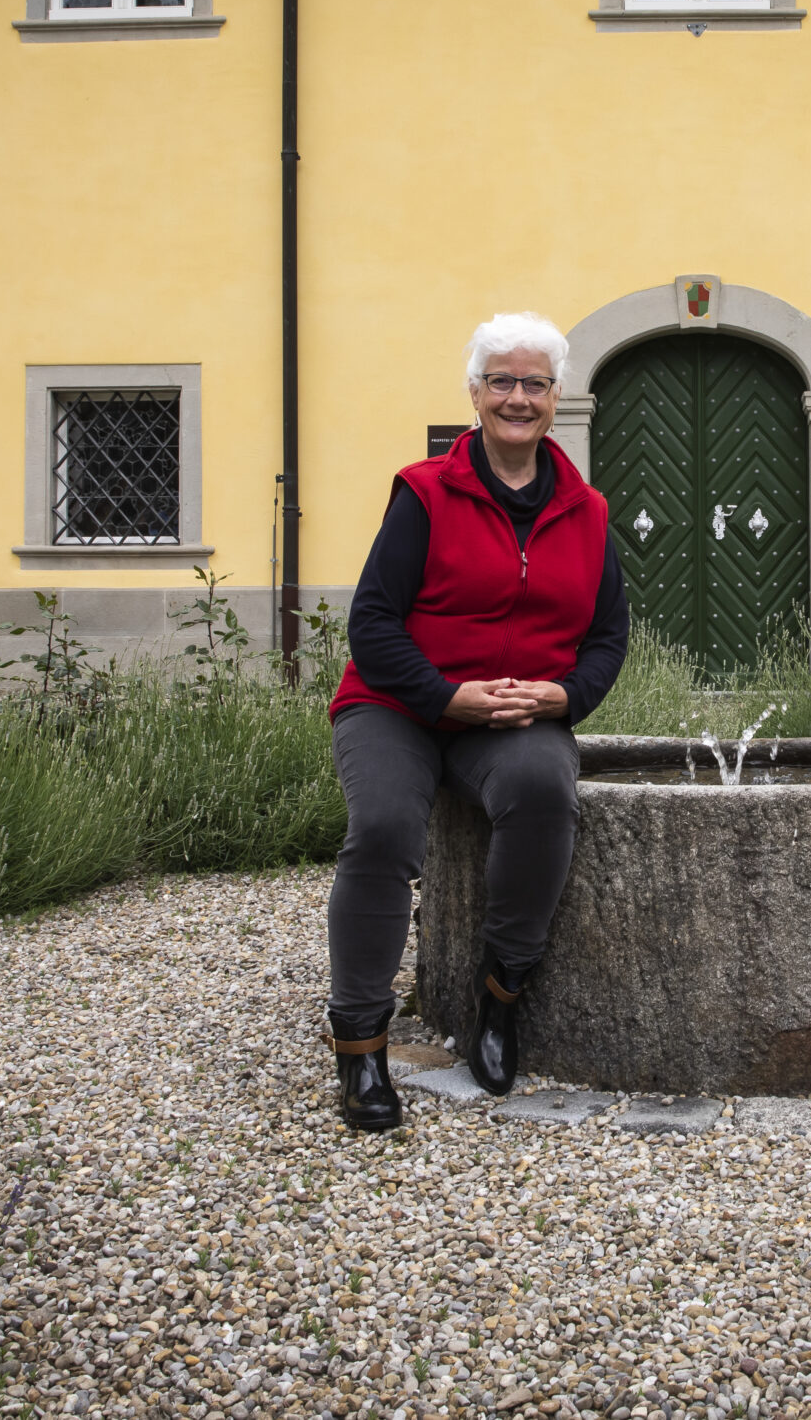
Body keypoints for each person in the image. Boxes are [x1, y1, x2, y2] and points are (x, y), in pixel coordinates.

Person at [321, 312, 630, 1131]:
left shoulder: (588, 510)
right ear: (475, 393)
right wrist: (443, 695)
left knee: (542, 787)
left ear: (557, 397)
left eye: (533, 384)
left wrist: (564, 698)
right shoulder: (424, 492)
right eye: (502, 382)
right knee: (384, 826)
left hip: (513, 714)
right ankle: (360, 1044)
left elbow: (606, 639)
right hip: (398, 704)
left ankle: (501, 995)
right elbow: (374, 624)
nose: (517, 398)